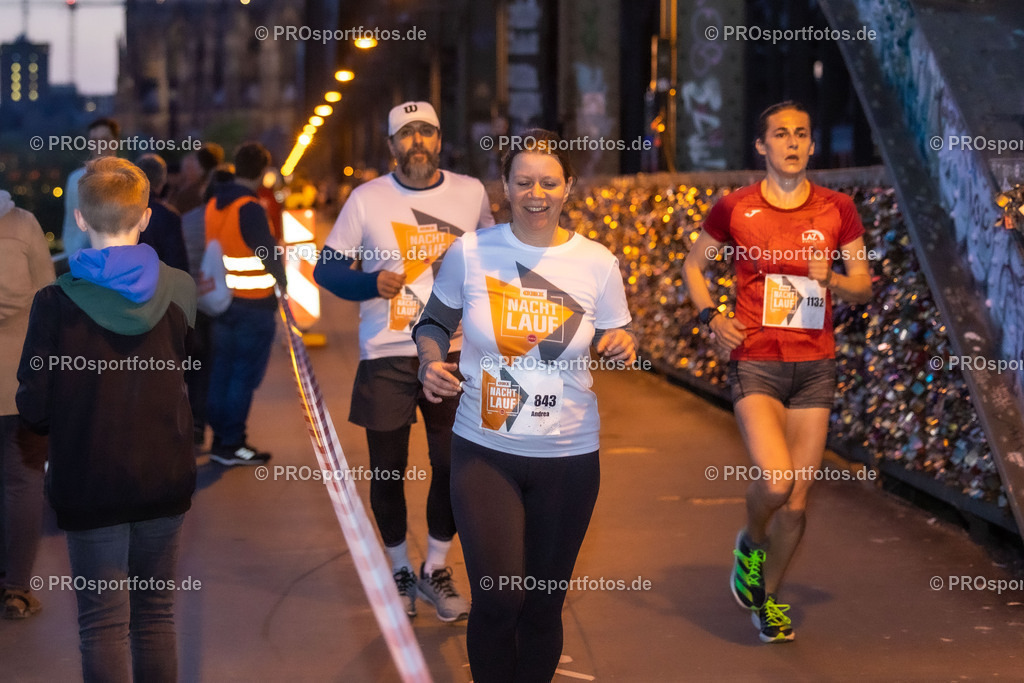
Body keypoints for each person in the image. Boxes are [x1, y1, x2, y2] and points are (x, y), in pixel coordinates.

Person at [413, 129, 635, 681]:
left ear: (568, 188)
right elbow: (435, 322)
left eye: (549, 182)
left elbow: (619, 340)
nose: (537, 193)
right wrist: (428, 361)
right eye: (524, 182)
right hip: (485, 451)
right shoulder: (471, 252)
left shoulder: (598, 263)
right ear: (505, 188)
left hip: (569, 455)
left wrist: (622, 346)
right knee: (500, 597)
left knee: (540, 605)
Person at [682, 101, 872, 643]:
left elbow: (864, 285)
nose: (792, 142)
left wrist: (833, 279)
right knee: (775, 480)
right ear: (761, 146)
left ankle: (769, 599)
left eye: (802, 134)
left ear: (812, 146)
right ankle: (749, 540)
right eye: (780, 134)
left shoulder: (839, 208)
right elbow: (695, 265)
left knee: (796, 504)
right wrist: (711, 317)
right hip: (757, 363)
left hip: (815, 367)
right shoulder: (736, 208)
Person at [16, 157, 197, 680]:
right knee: (156, 616)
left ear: (78, 218)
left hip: (90, 481)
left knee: (101, 624)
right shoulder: (179, 288)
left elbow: (34, 406)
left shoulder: (54, 301)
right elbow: (189, 370)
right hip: (165, 473)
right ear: (145, 217)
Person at [314, 101, 494, 621]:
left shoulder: (470, 193)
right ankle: (397, 569)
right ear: (391, 144)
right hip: (386, 353)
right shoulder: (366, 199)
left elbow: (491, 254)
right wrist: (371, 281)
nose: (417, 141)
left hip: (454, 351)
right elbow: (326, 270)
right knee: (388, 471)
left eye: (427, 132)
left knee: (452, 466)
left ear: (440, 140)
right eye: (406, 134)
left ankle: (436, 566)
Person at [205, 143, 285, 465]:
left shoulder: (214, 202)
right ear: (263, 171)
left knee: (221, 370)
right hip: (254, 303)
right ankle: (233, 443)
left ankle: (219, 439)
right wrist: (283, 282)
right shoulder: (249, 206)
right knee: (243, 375)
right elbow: (265, 252)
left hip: (221, 301)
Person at [0, 189, 54, 619]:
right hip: (21, 383)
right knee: (23, 482)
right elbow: (48, 298)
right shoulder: (23, 225)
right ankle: (16, 589)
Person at [61, 117, 120, 257]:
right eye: (94, 141)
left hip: (119, 261)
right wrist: (73, 255)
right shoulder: (75, 179)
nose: (99, 145)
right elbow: (70, 225)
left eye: (104, 140)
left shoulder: (128, 178)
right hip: (84, 262)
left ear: (115, 142)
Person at [135, 153, 189, 272]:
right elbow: (177, 262)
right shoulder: (169, 215)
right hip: (158, 284)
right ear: (162, 181)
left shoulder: (122, 210)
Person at [168, 143, 225, 215]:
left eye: (194, 160)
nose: (189, 163)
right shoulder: (181, 186)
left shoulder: (196, 193)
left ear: (202, 168)